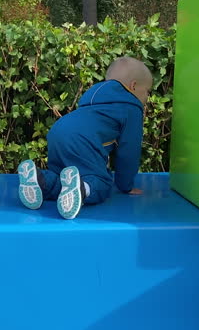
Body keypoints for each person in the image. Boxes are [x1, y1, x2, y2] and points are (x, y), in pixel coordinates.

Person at [17, 56, 152, 219]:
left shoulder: (93, 96)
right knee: (102, 182)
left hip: (59, 130)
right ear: (134, 86)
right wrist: (126, 185)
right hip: (83, 139)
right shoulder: (131, 107)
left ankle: (40, 180)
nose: (147, 98)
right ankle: (83, 189)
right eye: (147, 92)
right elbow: (129, 150)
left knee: (63, 176)